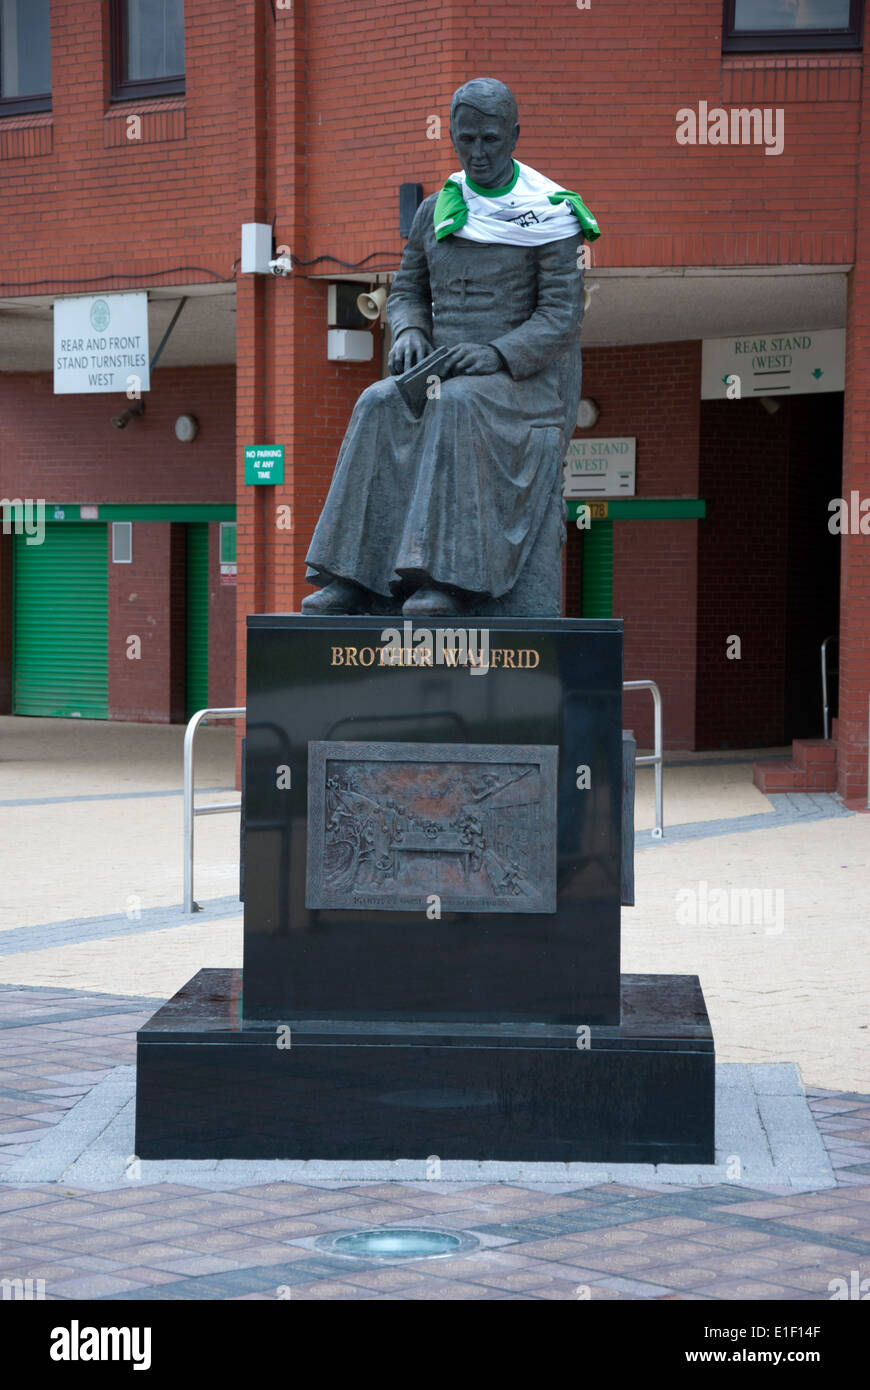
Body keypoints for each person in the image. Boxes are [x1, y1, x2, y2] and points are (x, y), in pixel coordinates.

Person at [302, 77, 600, 618]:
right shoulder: (436, 209)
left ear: (513, 135)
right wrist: (411, 331)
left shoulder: (552, 216)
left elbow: (561, 319)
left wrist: (497, 355)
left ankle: (445, 580)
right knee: (377, 402)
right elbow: (409, 290)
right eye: (466, 140)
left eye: (489, 139)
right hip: (443, 368)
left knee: (454, 403)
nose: (478, 152)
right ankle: (354, 578)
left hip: (521, 384)